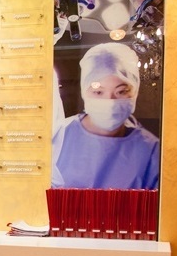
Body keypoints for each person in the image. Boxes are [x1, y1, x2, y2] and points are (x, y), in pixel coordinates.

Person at [51, 42, 159, 189]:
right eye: (98, 92)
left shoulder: (150, 151)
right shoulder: (58, 135)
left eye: (121, 91)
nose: (110, 101)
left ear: (135, 91)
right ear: (84, 92)